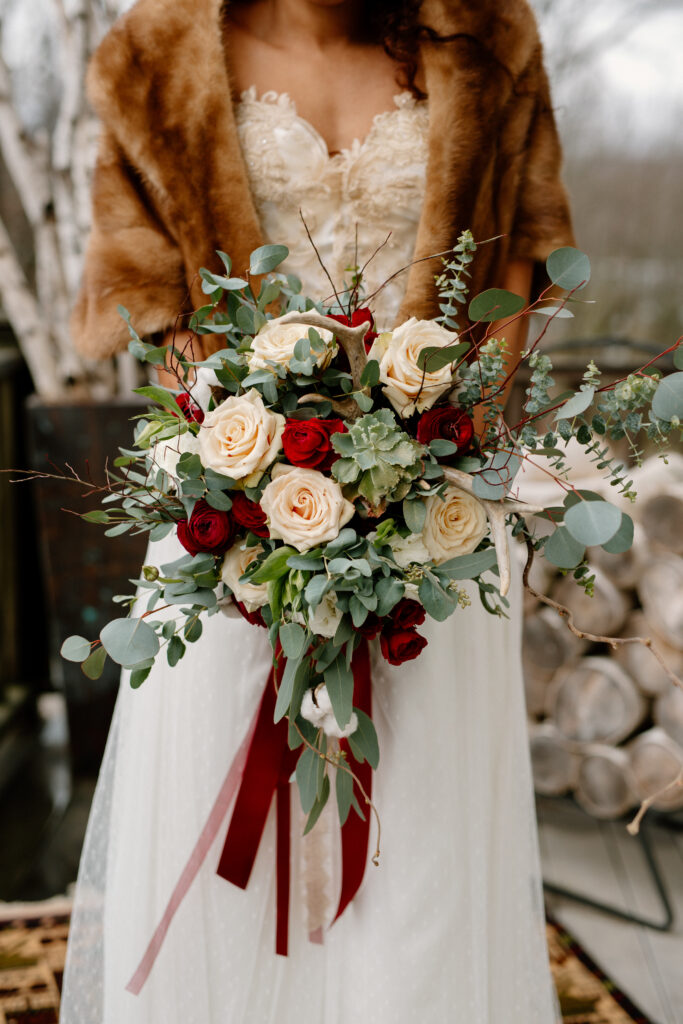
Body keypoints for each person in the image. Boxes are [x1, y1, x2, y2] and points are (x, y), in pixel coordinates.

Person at [61, 1, 575, 1021]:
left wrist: (433, 463)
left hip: (437, 526)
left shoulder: (487, 33)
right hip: (232, 529)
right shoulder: (150, 53)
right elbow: (153, 309)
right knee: (224, 886)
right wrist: (254, 490)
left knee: (419, 862)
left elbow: (516, 270)